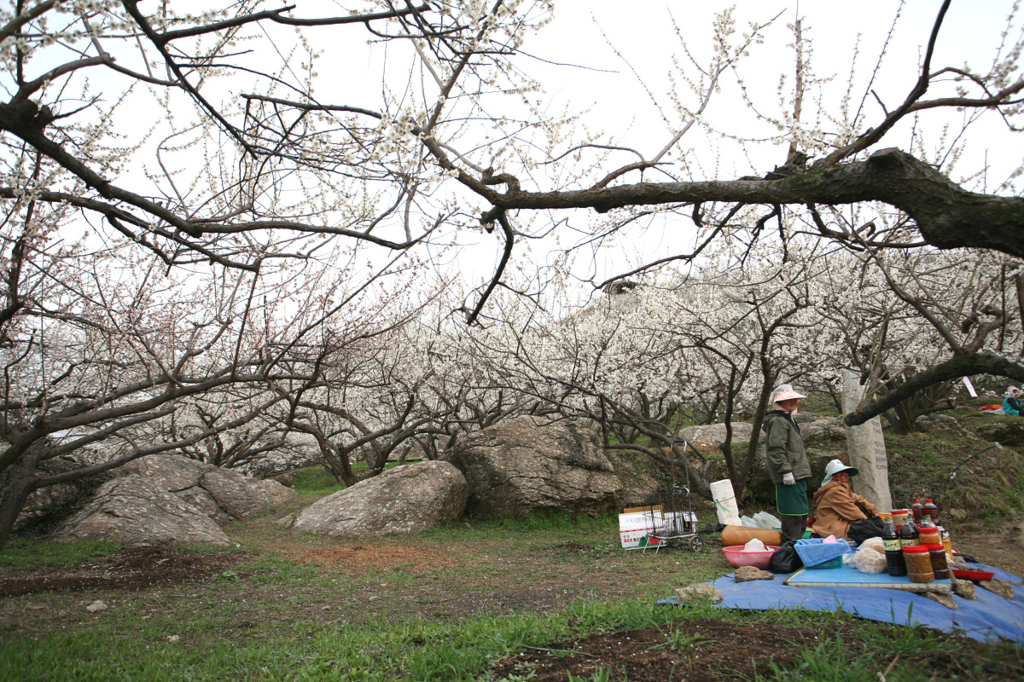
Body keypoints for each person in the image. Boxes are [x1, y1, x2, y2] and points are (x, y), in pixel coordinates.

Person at [762, 384, 812, 544]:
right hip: (790, 473)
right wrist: (785, 471)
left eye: (795, 399)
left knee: (801, 511)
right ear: (779, 402)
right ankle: (791, 548)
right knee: (793, 513)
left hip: (798, 472)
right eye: (788, 399)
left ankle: (797, 546)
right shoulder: (778, 421)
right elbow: (776, 448)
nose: (794, 402)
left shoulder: (787, 419)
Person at [811, 459, 884, 544]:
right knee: (873, 530)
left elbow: (858, 498)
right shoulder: (834, 491)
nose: (843, 474)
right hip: (832, 528)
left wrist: (873, 511)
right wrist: (868, 522)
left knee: (877, 526)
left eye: (845, 471)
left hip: (842, 524)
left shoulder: (841, 487)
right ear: (832, 476)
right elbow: (853, 513)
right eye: (838, 472)